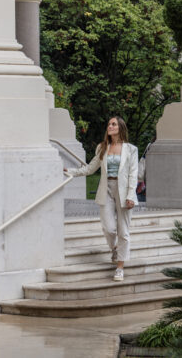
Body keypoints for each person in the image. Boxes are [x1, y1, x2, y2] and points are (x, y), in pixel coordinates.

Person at [64, 117, 139, 281]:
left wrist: (131, 195)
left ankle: (120, 267)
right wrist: (70, 171)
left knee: (123, 231)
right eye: (109, 124)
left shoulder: (131, 149)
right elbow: (90, 169)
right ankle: (115, 247)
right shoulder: (102, 147)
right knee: (108, 228)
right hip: (106, 190)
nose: (110, 126)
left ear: (120, 128)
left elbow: (133, 174)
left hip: (124, 191)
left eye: (113, 124)